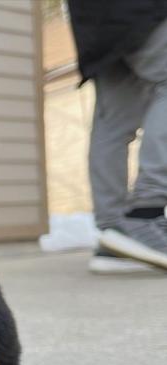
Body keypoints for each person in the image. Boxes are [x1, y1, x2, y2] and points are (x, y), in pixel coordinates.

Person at [68, 0, 167, 273]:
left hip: (94, 19)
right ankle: (146, 213)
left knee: (114, 120)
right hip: (141, 10)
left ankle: (114, 235)